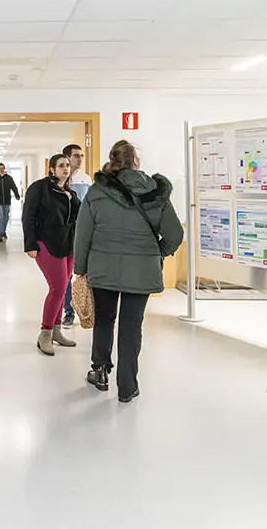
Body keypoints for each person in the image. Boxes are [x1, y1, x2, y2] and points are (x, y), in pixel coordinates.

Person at [74, 140, 183, 403]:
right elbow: (175, 234)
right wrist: (158, 251)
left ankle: (99, 371)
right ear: (136, 161)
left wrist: (80, 268)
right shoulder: (155, 192)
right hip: (141, 271)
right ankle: (127, 385)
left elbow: (83, 234)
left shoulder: (96, 191)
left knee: (104, 319)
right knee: (131, 325)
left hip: (103, 269)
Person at [22, 153, 80, 356]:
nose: (66, 168)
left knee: (64, 289)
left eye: (67, 165)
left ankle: (56, 331)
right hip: (46, 242)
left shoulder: (70, 193)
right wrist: (30, 244)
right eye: (61, 165)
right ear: (52, 169)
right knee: (57, 288)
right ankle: (45, 334)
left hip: (68, 244)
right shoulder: (40, 188)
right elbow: (27, 216)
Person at [62, 143, 91, 328]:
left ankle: (86, 311)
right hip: (64, 235)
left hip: (83, 233)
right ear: (67, 158)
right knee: (65, 276)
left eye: (81, 155)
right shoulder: (59, 180)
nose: (80, 159)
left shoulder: (86, 179)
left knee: (81, 274)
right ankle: (68, 312)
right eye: (76, 155)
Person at [0, 162, 21, 243]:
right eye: (0, 168)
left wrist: (17, 194)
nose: (1, 169)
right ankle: (1, 234)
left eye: (2, 168)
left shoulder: (9, 178)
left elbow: (13, 187)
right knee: (1, 217)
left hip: (7, 201)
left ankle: (3, 230)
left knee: (6, 217)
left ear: (4, 168)